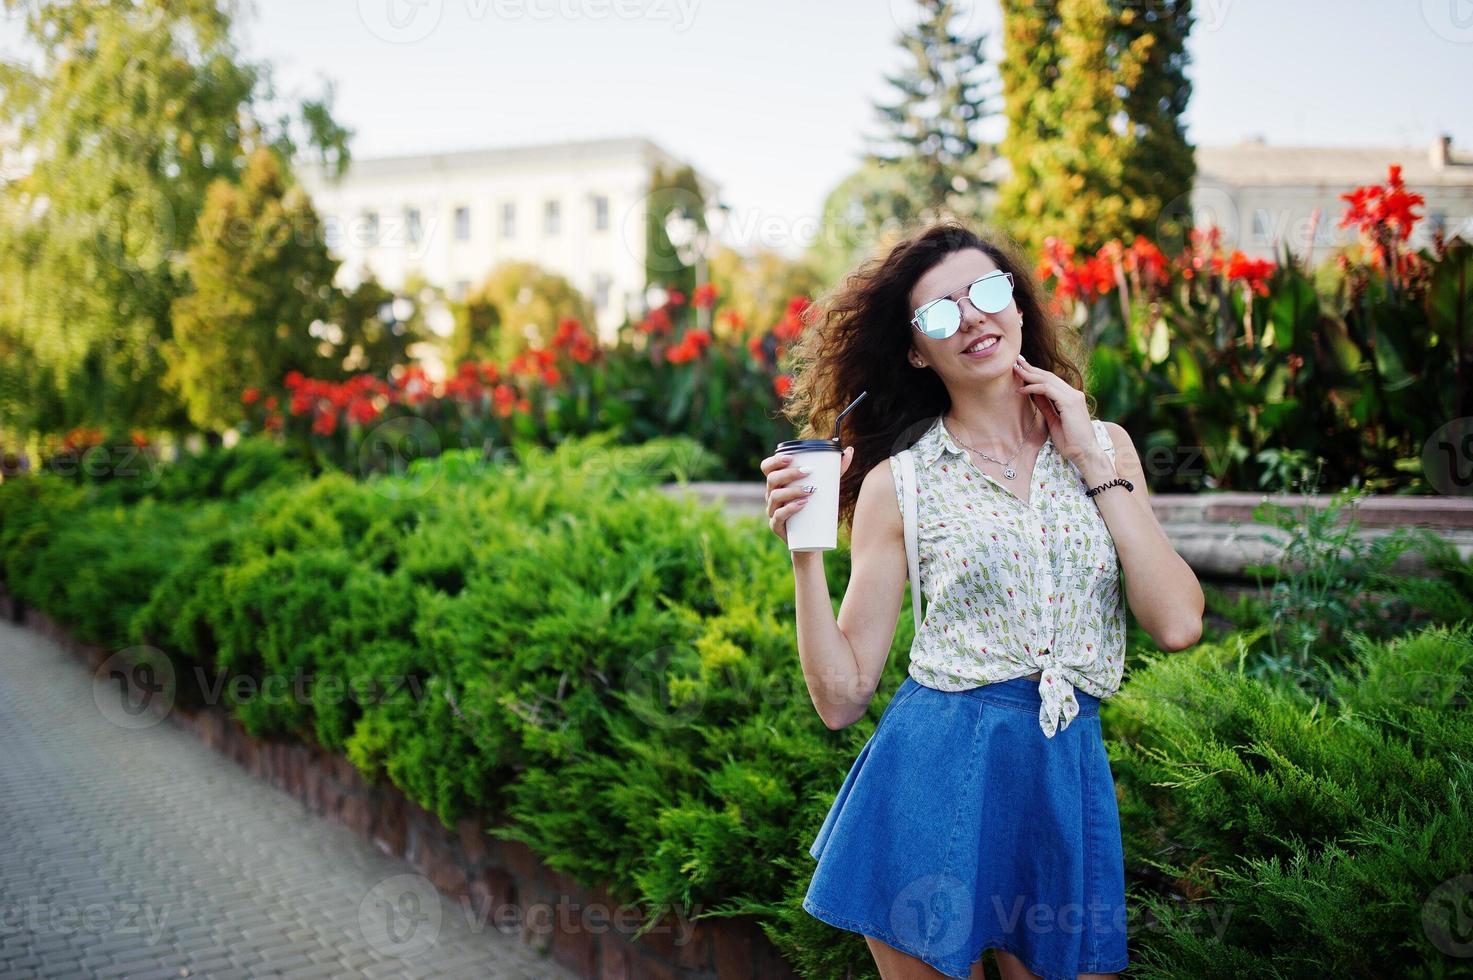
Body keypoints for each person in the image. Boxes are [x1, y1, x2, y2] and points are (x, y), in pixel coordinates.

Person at [761, 220, 1204, 980]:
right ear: (914, 349)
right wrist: (805, 556)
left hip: (1061, 775)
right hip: (929, 774)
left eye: (986, 292)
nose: (970, 318)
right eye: (938, 313)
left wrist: (1086, 456)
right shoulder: (896, 484)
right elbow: (840, 699)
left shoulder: (1105, 445)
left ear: (1019, 306)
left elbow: (1175, 621)